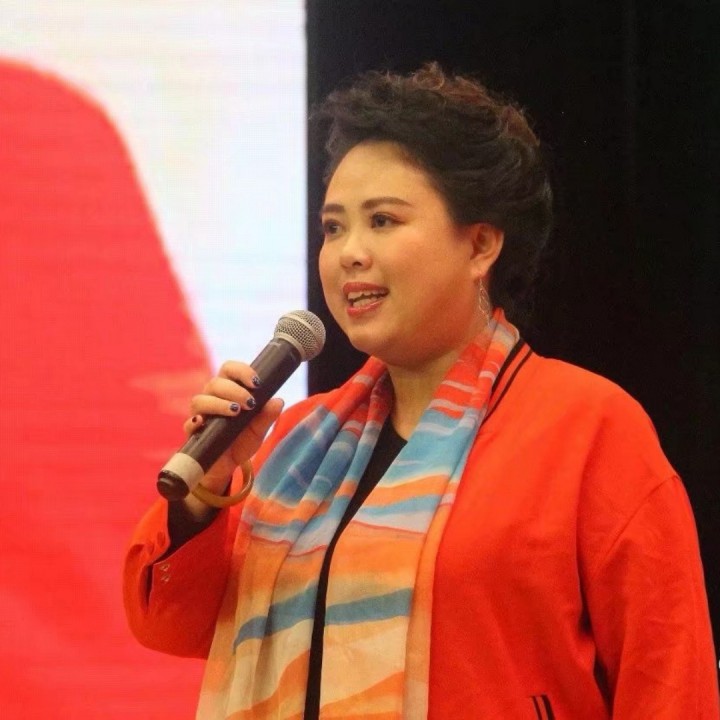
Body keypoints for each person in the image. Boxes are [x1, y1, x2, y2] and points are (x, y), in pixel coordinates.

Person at [123, 63, 719, 719]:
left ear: (480, 245)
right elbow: (170, 624)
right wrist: (204, 494)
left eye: (382, 220)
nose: (349, 253)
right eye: (333, 227)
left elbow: (669, 678)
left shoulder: (589, 428)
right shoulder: (296, 442)